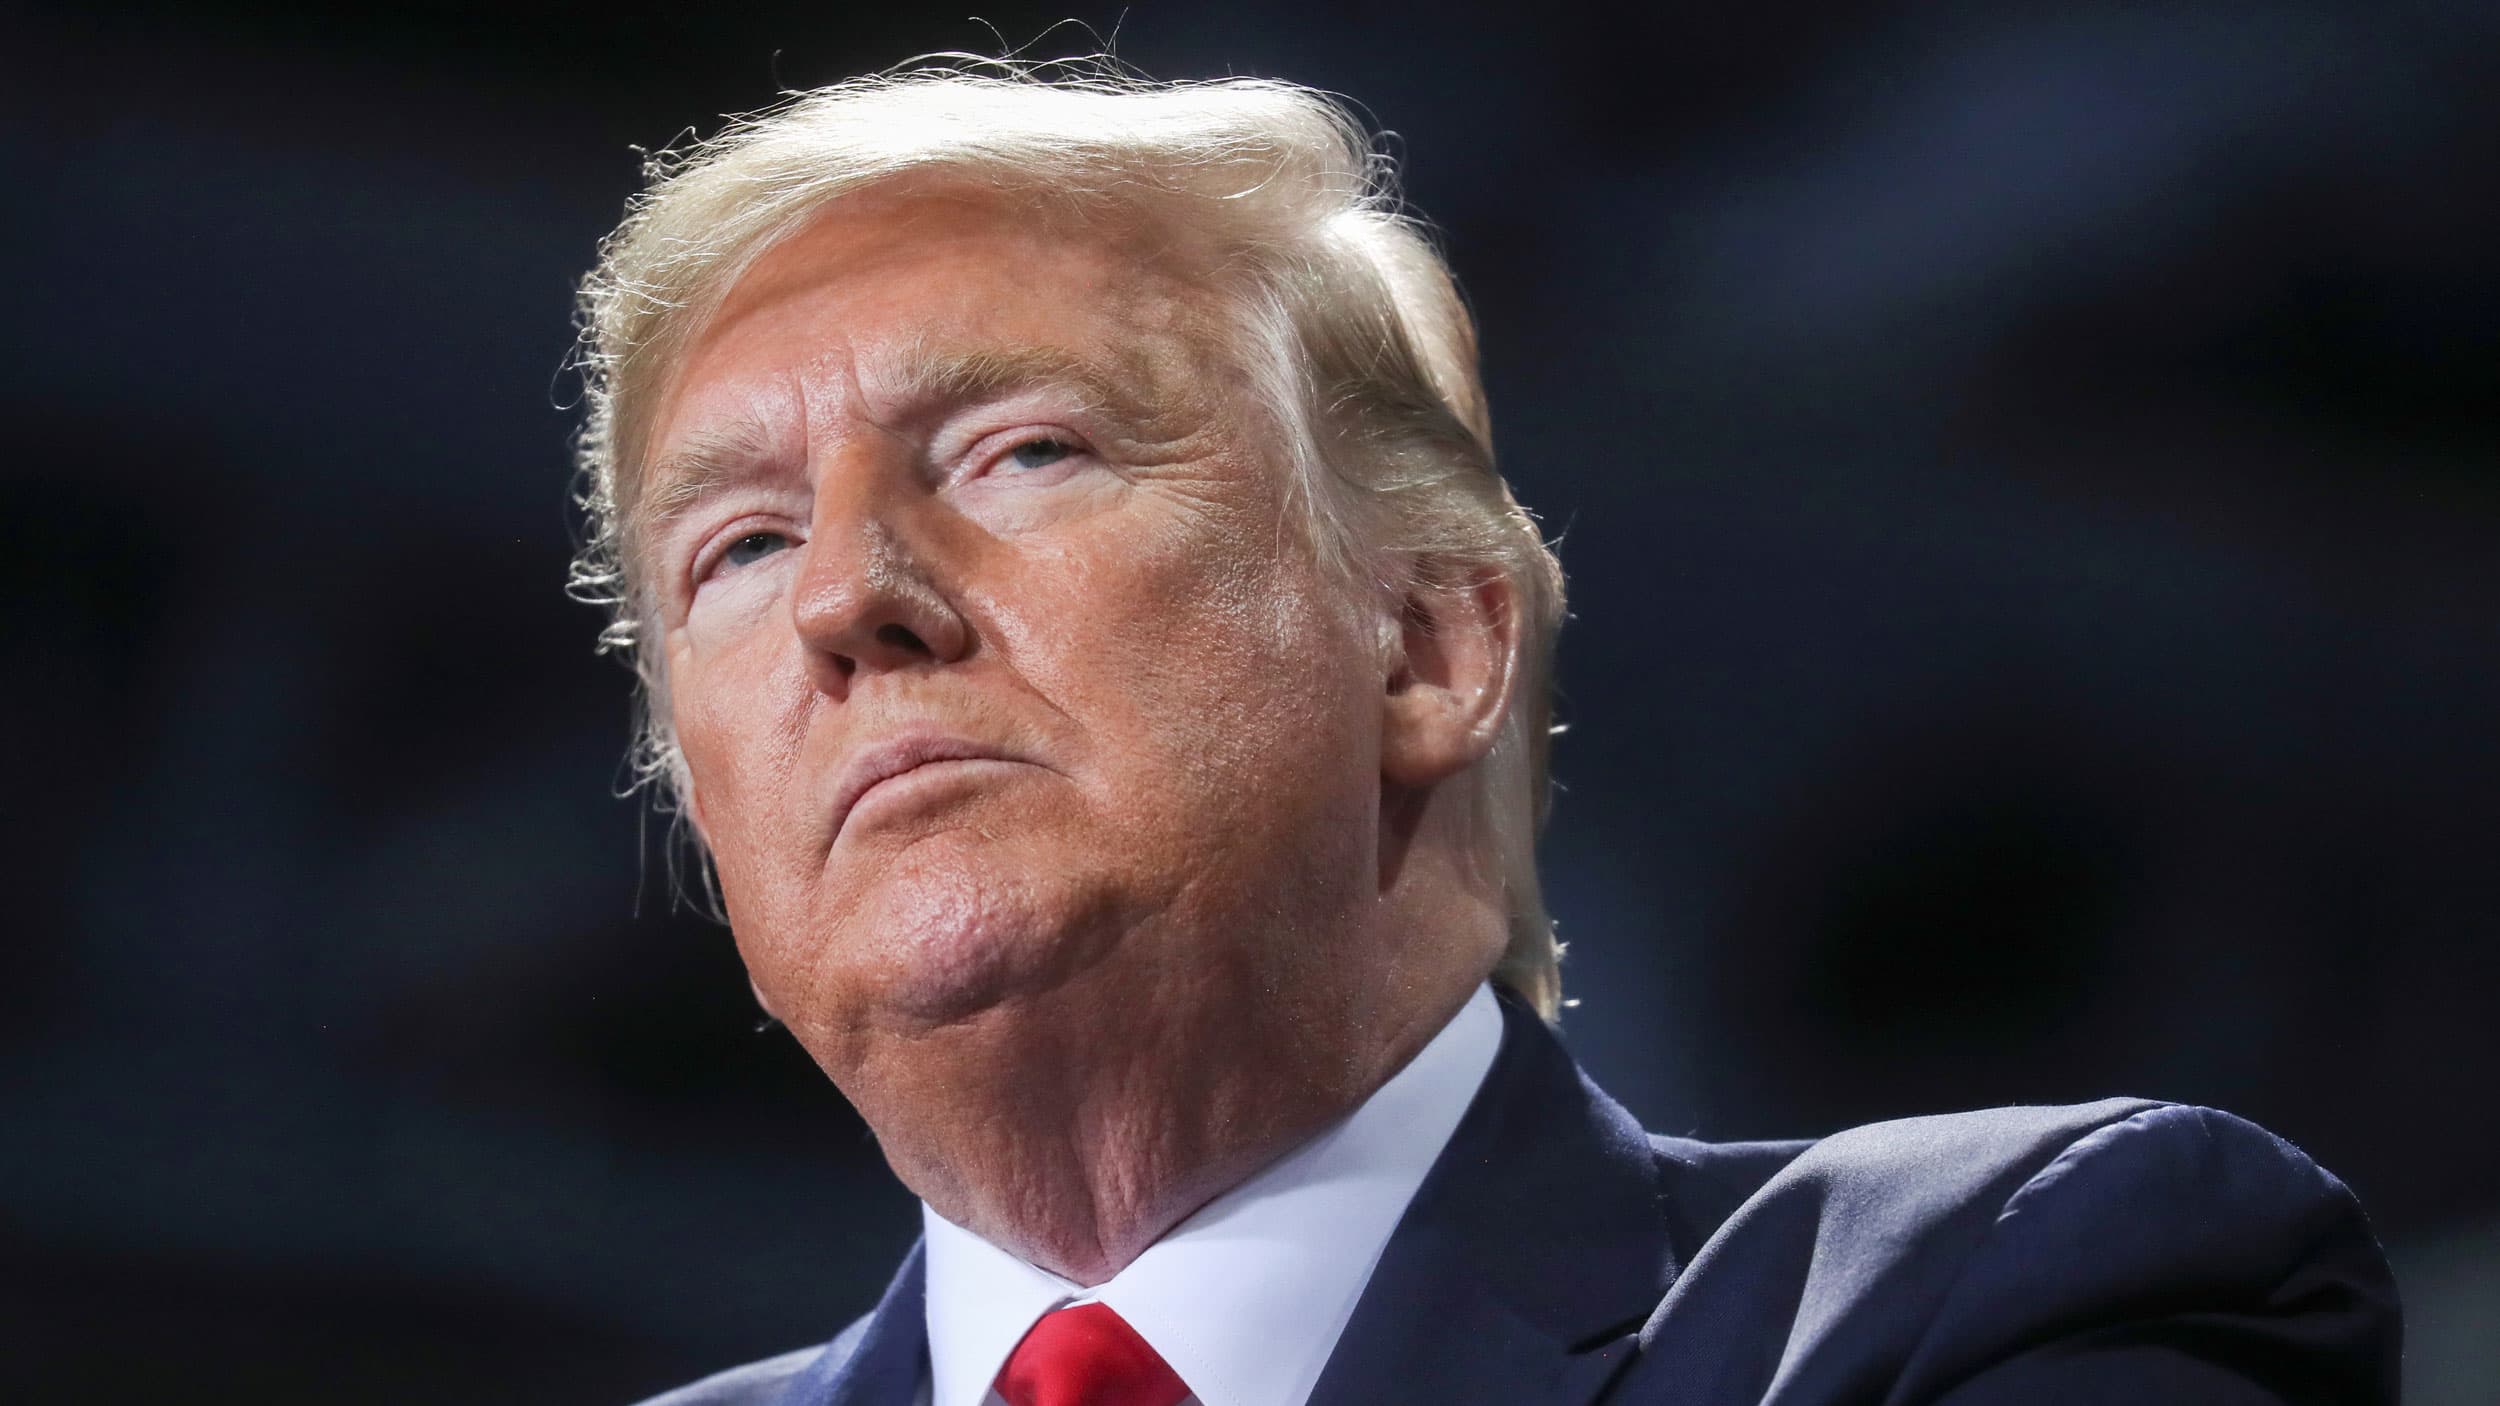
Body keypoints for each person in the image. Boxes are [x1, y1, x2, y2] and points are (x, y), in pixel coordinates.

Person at [569, 60, 2399, 1406]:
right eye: (735, 545)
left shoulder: (2000, 1295)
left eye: (1023, 450)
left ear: (1429, 643)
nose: (839, 595)